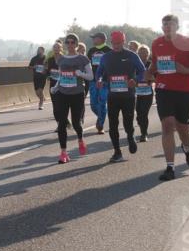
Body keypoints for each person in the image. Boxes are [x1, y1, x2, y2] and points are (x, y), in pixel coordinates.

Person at [147, 14, 189, 181]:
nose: (167, 28)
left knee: (183, 128)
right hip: (163, 89)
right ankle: (170, 167)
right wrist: (150, 71)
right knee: (167, 125)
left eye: (170, 25)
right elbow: (155, 63)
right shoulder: (157, 43)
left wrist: (185, 71)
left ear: (177, 27)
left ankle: (187, 148)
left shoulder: (188, 43)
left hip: (184, 91)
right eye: (164, 25)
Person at [95, 31, 146, 162]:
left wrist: (135, 80)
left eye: (119, 43)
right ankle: (117, 152)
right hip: (112, 96)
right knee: (112, 124)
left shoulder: (132, 55)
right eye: (114, 43)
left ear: (123, 42)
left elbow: (142, 71)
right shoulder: (106, 57)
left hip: (128, 96)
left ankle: (130, 136)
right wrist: (99, 80)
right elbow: (99, 72)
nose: (116, 46)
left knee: (128, 122)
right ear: (111, 43)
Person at [51, 33, 92, 164]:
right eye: (67, 42)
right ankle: (63, 152)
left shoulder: (83, 59)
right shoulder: (61, 59)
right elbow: (62, 76)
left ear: (76, 44)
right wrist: (56, 86)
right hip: (63, 93)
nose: (70, 45)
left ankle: (80, 139)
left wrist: (81, 73)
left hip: (77, 94)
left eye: (72, 42)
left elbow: (90, 76)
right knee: (62, 123)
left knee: (76, 123)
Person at [87, 32, 112, 135]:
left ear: (101, 39)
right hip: (93, 80)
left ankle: (100, 125)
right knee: (93, 105)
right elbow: (87, 64)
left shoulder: (109, 50)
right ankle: (101, 116)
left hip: (105, 81)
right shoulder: (91, 51)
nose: (93, 40)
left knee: (102, 102)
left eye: (94, 38)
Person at [135, 45, 154, 142]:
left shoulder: (151, 64)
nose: (143, 54)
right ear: (138, 54)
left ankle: (144, 133)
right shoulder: (135, 64)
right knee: (139, 114)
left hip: (148, 93)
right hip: (137, 93)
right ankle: (141, 125)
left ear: (148, 54)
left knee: (144, 113)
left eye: (145, 53)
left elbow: (156, 77)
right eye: (141, 53)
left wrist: (150, 79)